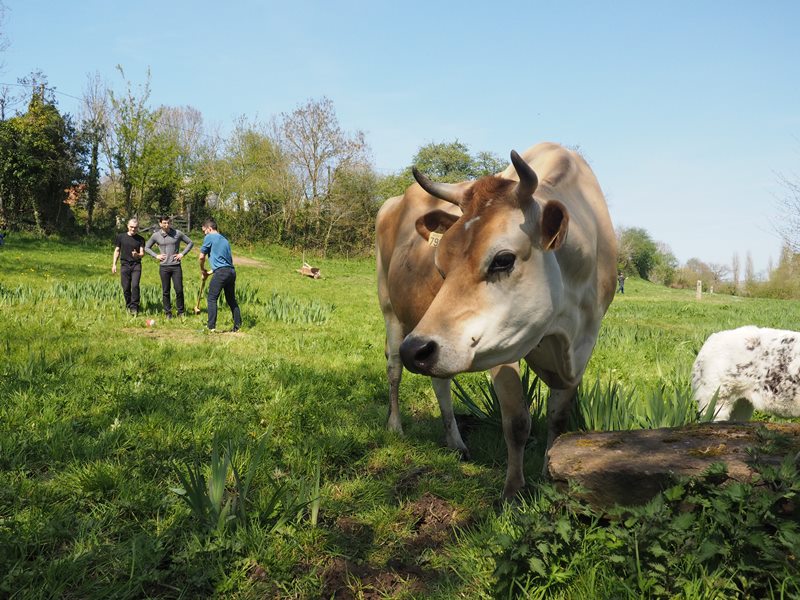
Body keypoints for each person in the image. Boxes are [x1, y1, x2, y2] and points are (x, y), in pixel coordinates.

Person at [145, 215, 194, 318]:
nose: (166, 225)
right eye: (164, 223)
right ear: (160, 224)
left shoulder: (177, 233)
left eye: (168, 223)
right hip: (164, 267)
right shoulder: (156, 236)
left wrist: (182, 254)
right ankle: (168, 313)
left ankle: (181, 312)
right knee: (165, 291)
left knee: (179, 290)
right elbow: (146, 247)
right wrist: (156, 255)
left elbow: (190, 242)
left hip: (176, 266)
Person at [199, 218, 241, 332]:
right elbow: (225, 262)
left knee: (212, 298)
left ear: (209, 228)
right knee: (231, 299)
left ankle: (210, 327)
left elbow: (201, 256)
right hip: (231, 272)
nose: (204, 234)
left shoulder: (209, 237)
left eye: (204, 231)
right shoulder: (225, 240)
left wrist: (202, 269)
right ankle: (238, 326)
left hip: (221, 272)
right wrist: (209, 273)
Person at [112, 218, 145, 315]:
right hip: (125, 265)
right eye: (131, 227)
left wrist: (137, 255)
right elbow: (117, 250)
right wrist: (114, 264)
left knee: (135, 286)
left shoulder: (141, 239)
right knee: (126, 287)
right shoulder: (121, 237)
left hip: (136, 265)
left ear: (137, 228)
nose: (133, 229)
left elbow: (142, 253)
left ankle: (134, 307)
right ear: (127, 226)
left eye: (135, 227)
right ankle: (128, 304)